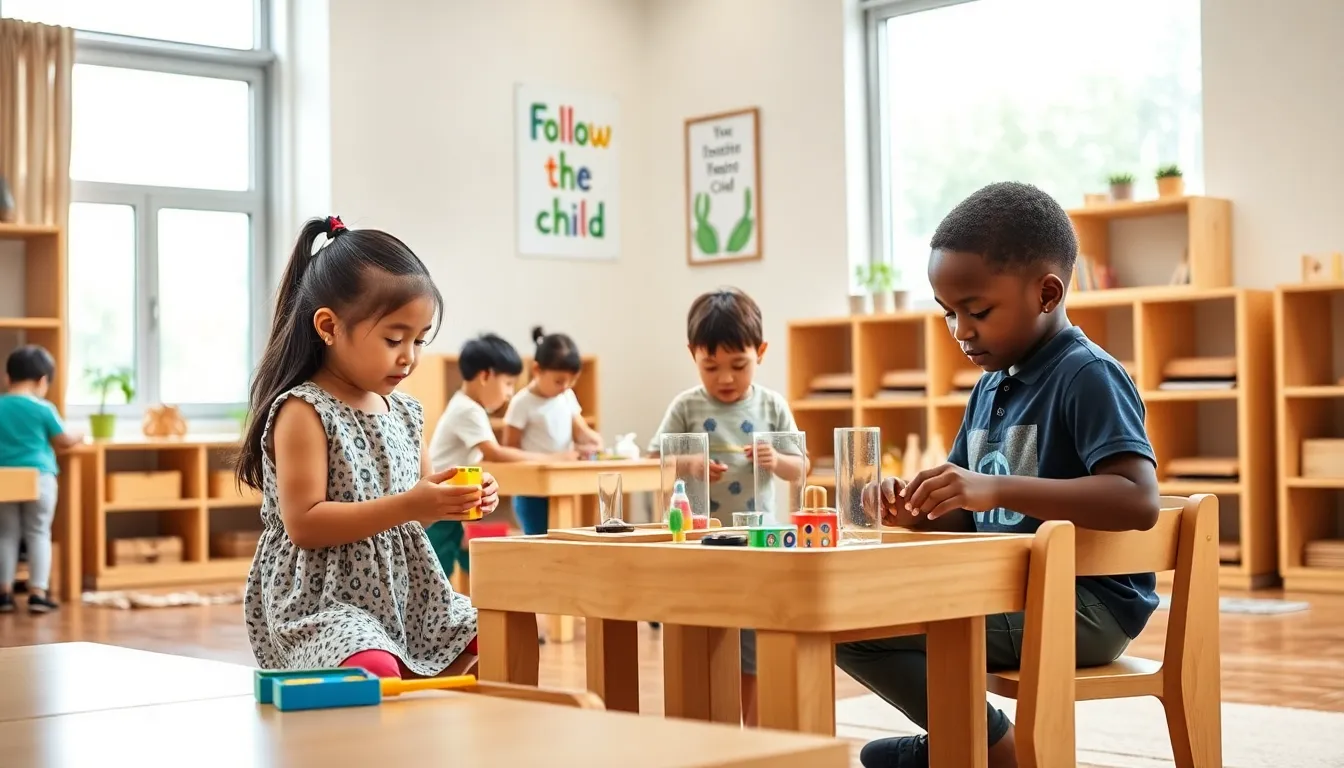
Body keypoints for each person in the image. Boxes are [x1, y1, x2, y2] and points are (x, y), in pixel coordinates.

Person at [847, 182, 1161, 768]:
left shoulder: (1087, 374)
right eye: (949, 315)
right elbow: (970, 515)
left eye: (978, 311)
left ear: (1047, 293)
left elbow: (1138, 499)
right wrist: (917, 508)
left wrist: (991, 486)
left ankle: (994, 749)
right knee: (848, 610)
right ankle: (969, 741)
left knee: (857, 623)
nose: (962, 331)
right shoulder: (991, 385)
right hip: (1009, 591)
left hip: (1081, 607)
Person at [236, 215, 499, 680]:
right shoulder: (304, 410)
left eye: (419, 340)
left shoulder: (405, 412)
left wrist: (451, 499)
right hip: (323, 605)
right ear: (329, 327)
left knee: (501, 633)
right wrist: (412, 503)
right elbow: (305, 525)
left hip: (410, 597)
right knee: (372, 668)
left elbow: (418, 507)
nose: (409, 357)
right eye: (394, 339)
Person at [647, 287, 806, 727]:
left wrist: (780, 461)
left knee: (755, 642)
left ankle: (753, 729)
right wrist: (689, 462)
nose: (725, 378)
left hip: (761, 545)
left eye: (739, 365)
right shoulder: (687, 405)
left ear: (761, 352)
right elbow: (653, 459)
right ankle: (706, 724)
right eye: (710, 366)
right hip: (700, 543)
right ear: (692, 356)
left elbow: (801, 468)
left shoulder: (772, 405)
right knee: (702, 635)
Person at [425, 333, 576, 579]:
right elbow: (495, 453)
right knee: (437, 566)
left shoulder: (466, 406)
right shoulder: (468, 410)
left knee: (465, 559)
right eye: (507, 384)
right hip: (441, 501)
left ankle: (482, 600)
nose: (508, 394)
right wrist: (554, 458)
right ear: (486, 376)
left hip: (450, 501)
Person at [0, 344, 83, 614]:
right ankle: (37, 592)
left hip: (5, 478)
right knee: (38, 532)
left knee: (6, 534)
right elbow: (63, 441)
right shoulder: (44, 409)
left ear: (7, 377)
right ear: (43, 380)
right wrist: (80, 433)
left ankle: (4, 593)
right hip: (40, 477)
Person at [502, 326, 603, 535]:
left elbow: (580, 430)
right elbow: (509, 451)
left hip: (562, 485)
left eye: (571, 381)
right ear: (537, 370)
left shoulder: (566, 396)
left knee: (562, 541)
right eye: (559, 381)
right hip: (532, 489)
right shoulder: (522, 403)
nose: (565, 386)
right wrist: (555, 458)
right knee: (539, 541)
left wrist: (593, 441)